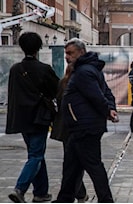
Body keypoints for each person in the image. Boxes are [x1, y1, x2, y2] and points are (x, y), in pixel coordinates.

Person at [54, 38, 119, 203]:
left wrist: (107, 110)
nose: (67, 57)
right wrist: (110, 108)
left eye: (70, 53)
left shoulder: (83, 72)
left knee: (93, 164)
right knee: (71, 166)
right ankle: (65, 198)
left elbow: (97, 96)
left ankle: (106, 199)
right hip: (80, 126)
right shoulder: (89, 70)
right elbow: (107, 93)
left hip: (84, 126)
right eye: (65, 53)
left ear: (81, 52)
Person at [6, 32, 59, 203]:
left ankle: (41, 192)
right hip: (39, 117)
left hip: (22, 118)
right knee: (36, 155)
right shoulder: (44, 69)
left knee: (36, 154)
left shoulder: (15, 69)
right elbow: (55, 91)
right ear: (38, 48)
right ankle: (20, 188)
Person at [50, 62, 88, 203]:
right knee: (76, 163)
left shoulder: (62, 83)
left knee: (71, 162)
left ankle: (78, 193)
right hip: (76, 127)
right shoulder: (78, 84)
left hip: (65, 128)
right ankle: (78, 194)